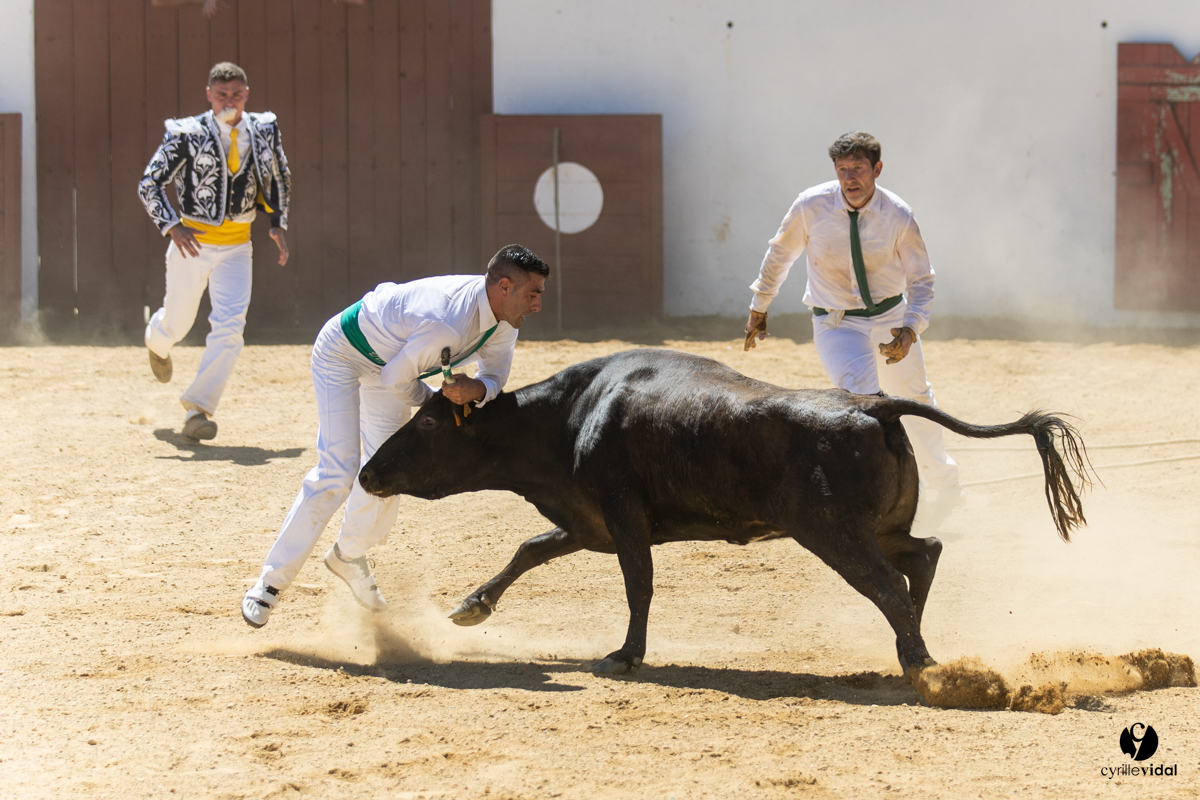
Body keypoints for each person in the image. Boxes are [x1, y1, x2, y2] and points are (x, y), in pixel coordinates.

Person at [241, 244, 549, 628]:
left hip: (391, 365)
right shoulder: (447, 321)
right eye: (533, 293)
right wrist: (435, 404)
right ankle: (269, 584)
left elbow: (495, 373)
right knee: (338, 472)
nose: (538, 304)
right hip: (344, 350)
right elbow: (394, 379)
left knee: (388, 472)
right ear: (504, 287)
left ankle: (348, 555)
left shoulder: (504, 318)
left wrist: (477, 390)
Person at [744, 131, 963, 518]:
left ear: (877, 169)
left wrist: (910, 328)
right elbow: (781, 252)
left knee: (914, 403)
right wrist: (761, 303)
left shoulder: (897, 214)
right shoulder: (811, 205)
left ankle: (944, 490)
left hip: (892, 319)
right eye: (842, 169)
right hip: (837, 322)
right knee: (863, 403)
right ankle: (883, 498)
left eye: (858, 168)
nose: (849, 178)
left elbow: (922, 280)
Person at [138, 62, 290, 442]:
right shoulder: (187, 134)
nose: (229, 102)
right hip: (193, 244)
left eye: (236, 95)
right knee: (177, 323)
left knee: (230, 328)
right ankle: (156, 342)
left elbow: (277, 176)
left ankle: (198, 409)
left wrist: (276, 224)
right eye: (221, 95)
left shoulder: (263, 129)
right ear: (208, 95)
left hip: (238, 246)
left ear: (247, 95)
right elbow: (149, 183)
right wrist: (172, 226)